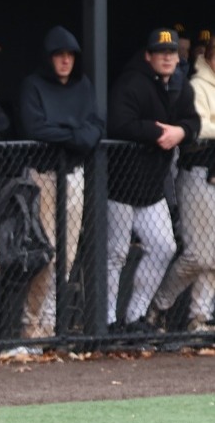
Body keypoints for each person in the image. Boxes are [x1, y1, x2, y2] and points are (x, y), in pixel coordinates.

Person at [15, 26, 105, 349]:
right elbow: (36, 127)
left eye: (70, 56)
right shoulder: (33, 86)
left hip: (75, 177)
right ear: (49, 58)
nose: (65, 61)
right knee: (46, 254)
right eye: (59, 55)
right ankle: (31, 325)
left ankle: (53, 325)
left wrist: (67, 132)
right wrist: (74, 133)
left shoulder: (83, 86)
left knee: (67, 257)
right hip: (44, 177)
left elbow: (95, 127)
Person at [105, 28, 198, 335]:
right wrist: (160, 133)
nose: (168, 57)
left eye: (172, 53)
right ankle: (106, 324)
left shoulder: (179, 86)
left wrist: (180, 132)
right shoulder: (132, 83)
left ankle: (135, 317)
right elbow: (119, 123)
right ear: (149, 56)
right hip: (119, 186)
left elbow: (192, 120)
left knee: (163, 247)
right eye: (161, 53)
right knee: (115, 254)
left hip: (151, 188)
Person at [145, 29, 215, 333]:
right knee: (199, 254)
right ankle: (158, 306)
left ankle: (199, 316)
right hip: (198, 172)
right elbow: (198, 128)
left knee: (213, 254)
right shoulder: (197, 84)